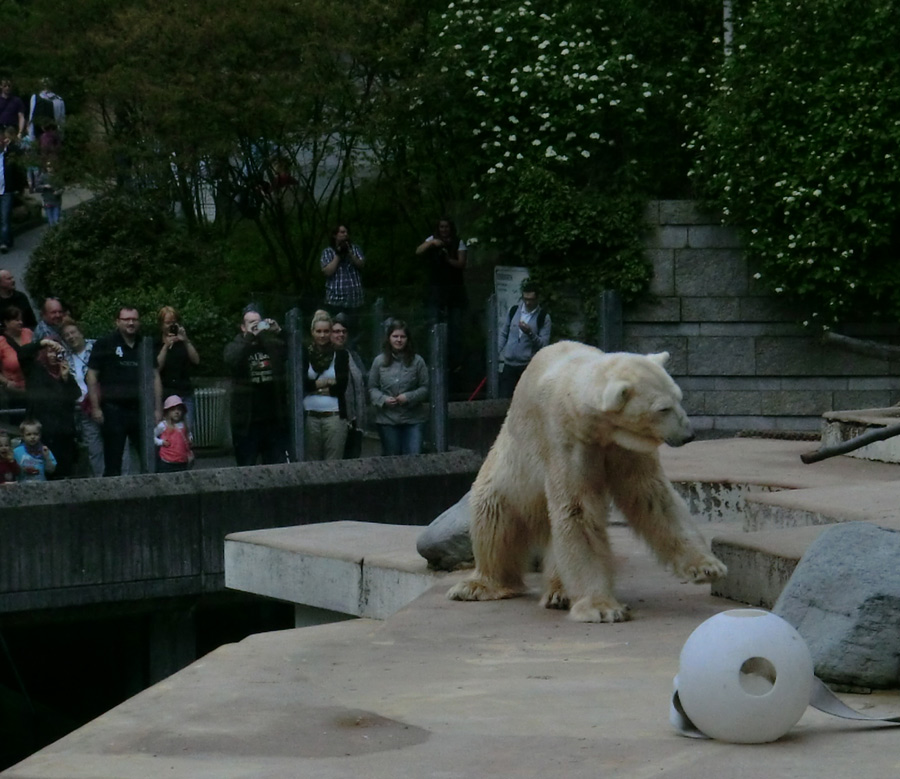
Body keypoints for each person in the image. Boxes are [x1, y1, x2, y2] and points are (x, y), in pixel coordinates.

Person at [87, 306, 163, 477]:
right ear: (117, 322)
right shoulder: (105, 343)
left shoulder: (145, 344)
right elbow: (92, 376)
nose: (131, 323)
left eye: (134, 319)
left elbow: (155, 377)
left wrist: (158, 409)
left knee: (149, 459)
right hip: (114, 410)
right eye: (126, 319)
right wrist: (96, 407)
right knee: (113, 461)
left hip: (141, 410)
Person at [223, 306, 289, 466]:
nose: (255, 326)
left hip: (272, 419)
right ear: (243, 327)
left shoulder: (270, 343)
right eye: (251, 322)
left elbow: (290, 352)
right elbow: (231, 360)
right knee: (246, 467)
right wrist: (249, 338)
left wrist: (278, 331)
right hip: (247, 422)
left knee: (277, 466)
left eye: (258, 322)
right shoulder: (236, 344)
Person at [14, 336, 80, 478]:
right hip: (40, 432)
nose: (53, 355)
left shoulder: (64, 372)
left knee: (63, 474)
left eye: (56, 352)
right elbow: (22, 353)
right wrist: (44, 342)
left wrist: (66, 378)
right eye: (49, 351)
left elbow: (75, 394)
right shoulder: (34, 369)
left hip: (63, 434)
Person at [415, 217, 468, 383]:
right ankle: (435, 358)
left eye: (446, 227)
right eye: (441, 227)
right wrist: (432, 244)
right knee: (434, 323)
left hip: (454, 289)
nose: (444, 230)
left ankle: (455, 363)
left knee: (455, 328)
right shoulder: (433, 240)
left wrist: (447, 259)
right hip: (436, 290)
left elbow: (461, 263)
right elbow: (418, 251)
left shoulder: (458, 242)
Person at [368, 319, 429, 456]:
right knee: (392, 459)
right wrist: (383, 399)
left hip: (413, 419)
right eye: (395, 336)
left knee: (414, 456)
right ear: (389, 338)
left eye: (402, 336)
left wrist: (408, 397)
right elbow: (372, 388)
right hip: (387, 420)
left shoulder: (417, 361)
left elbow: (425, 388)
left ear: (408, 339)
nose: (399, 340)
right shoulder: (379, 361)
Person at [302, 309, 349, 461]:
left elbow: (341, 386)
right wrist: (324, 383)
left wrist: (314, 387)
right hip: (310, 416)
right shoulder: (304, 354)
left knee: (334, 464)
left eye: (326, 331)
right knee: (311, 463)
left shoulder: (341, 355)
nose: (322, 335)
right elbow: (302, 384)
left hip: (334, 416)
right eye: (319, 331)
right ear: (312, 332)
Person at [61, 318, 104, 478]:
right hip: (82, 410)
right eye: (67, 335)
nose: (71, 337)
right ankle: (101, 482)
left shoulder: (96, 347)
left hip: (102, 403)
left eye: (73, 332)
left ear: (81, 332)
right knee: (94, 449)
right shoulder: (64, 357)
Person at [497, 281, 551, 397]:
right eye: (525, 298)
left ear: (537, 299)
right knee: (504, 399)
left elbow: (543, 345)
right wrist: (496, 352)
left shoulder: (543, 317)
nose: (527, 302)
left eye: (531, 299)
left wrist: (530, 333)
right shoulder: (514, 311)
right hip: (509, 365)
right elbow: (504, 334)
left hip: (528, 366)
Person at [156, 306, 200, 430]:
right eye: (168, 323)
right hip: (166, 394)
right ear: (161, 325)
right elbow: (156, 368)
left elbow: (196, 360)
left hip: (184, 393)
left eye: (174, 322)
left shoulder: (183, 342)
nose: (171, 325)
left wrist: (186, 341)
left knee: (187, 431)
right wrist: (166, 346)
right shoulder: (156, 343)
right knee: (167, 433)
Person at [331, 313, 367, 459]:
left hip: (354, 420)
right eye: (336, 331)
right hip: (335, 418)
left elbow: (362, 384)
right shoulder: (324, 357)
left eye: (343, 332)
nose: (341, 335)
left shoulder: (354, 356)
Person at [320, 224, 365, 331]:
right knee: (337, 329)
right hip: (336, 301)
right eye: (342, 232)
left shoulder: (355, 249)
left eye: (346, 232)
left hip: (355, 300)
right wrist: (338, 255)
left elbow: (361, 265)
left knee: (354, 330)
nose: (345, 235)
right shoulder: (328, 252)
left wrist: (349, 253)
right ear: (335, 235)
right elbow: (327, 271)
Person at [0, 305, 33, 408]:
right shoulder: (1, 341)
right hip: (15, 391)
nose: (20, 322)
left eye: (21, 319)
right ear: (6, 322)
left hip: (33, 387)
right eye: (16, 320)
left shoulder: (28, 333)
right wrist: (6, 382)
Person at [0, 128, 26, 254]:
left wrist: (20, 188)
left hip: (7, 191)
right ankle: (6, 238)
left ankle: (4, 242)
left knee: (5, 217)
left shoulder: (10, 154)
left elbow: (18, 172)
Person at [154, 394, 193, 473]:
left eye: (179, 409)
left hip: (182, 461)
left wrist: (190, 439)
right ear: (167, 412)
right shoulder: (163, 425)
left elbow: (188, 434)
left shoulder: (183, 425)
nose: (177, 412)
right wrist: (161, 442)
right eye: (173, 410)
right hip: (167, 461)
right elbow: (152, 436)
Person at [35, 158, 63, 226]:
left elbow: (62, 188)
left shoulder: (57, 177)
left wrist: (58, 192)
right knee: (51, 221)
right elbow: (37, 187)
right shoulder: (43, 177)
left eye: (51, 167)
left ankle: (56, 233)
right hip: (47, 201)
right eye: (48, 167)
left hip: (56, 201)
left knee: (56, 220)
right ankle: (53, 233)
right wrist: (44, 186)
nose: (50, 168)